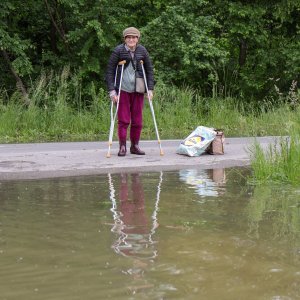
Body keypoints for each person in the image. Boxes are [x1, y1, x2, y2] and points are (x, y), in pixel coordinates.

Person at [105, 27, 154, 156]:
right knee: (124, 120)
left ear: (138, 39)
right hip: (122, 90)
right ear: (125, 39)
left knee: (138, 121)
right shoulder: (118, 51)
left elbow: (149, 70)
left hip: (138, 90)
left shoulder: (142, 50)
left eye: (134, 37)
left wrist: (150, 89)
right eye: (129, 37)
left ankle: (135, 146)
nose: (131, 40)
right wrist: (112, 91)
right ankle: (122, 147)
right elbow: (110, 71)